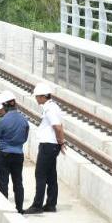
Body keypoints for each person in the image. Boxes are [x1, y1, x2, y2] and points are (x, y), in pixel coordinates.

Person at [27, 84, 65, 214]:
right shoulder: (53, 107)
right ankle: (50, 204)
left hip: (48, 145)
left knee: (40, 174)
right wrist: (60, 143)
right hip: (52, 145)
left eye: (37, 97)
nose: (36, 99)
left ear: (44, 96)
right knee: (50, 175)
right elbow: (60, 126)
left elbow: (58, 127)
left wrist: (61, 142)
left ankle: (37, 205)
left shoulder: (50, 109)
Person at [0, 92, 30, 210]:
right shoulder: (24, 120)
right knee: (18, 182)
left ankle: (5, 208)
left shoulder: (2, 121)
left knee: (3, 182)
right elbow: (24, 138)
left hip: (4, 154)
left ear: (5, 106)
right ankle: (19, 208)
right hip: (18, 154)